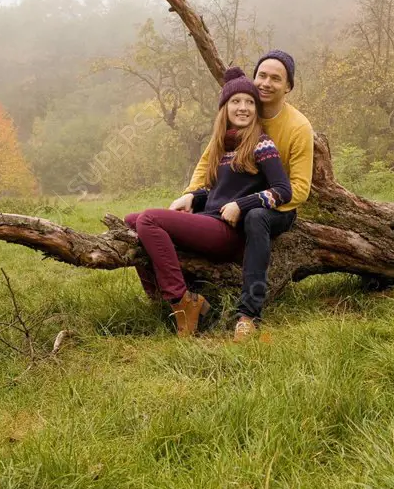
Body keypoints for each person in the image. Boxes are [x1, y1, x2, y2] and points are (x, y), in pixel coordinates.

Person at [124, 66, 292, 338]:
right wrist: (194, 196)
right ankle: (159, 298)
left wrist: (244, 205)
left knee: (150, 219)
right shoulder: (221, 146)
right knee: (131, 220)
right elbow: (218, 190)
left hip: (230, 232)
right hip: (209, 219)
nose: (243, 108)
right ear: (224, 108)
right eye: (236, 101)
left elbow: (283, 190)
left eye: (250, 102)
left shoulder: (261, 144)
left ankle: (182, 302)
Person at [175, 49, 313, 340]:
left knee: (256, 217)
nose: (266, 82)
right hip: (233, 200)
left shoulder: (298, 127)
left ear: (288, 87)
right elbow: (208, 161)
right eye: (261, 75)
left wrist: (249, 202)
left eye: (276, 78)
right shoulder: (242, 110)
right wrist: (191, 194)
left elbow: (299, 190)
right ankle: (189, 301)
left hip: (278, 206)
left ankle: (248, 315)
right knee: (194, 219)